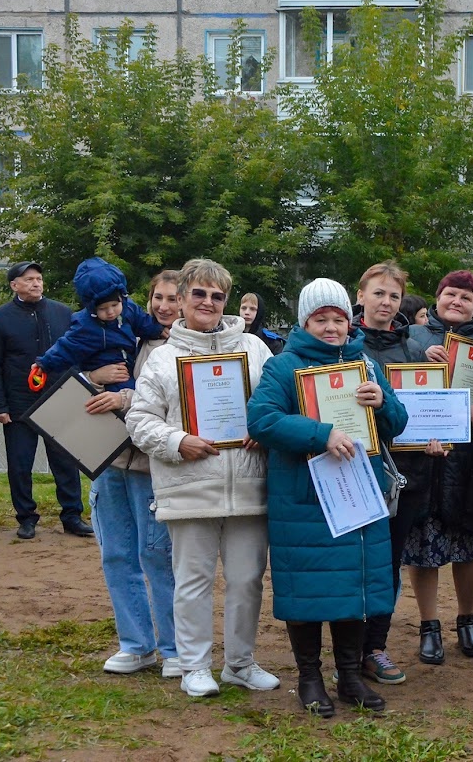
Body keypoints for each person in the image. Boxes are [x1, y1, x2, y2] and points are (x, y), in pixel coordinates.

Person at [248, 277, 408, 717]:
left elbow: (398, 424)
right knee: (308, 591)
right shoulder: (284, 365)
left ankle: (351, 677)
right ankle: (310, 678)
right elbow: (261, 421)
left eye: (339, 318)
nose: (332, 327)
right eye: (321, 319)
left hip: (358, 494)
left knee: (353, 587)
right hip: (305, 498)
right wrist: (320, 434)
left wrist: (384, 404)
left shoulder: (367, 365)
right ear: (305, 322)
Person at [126, 258, 279, 699]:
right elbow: (140, 419)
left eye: (217, 295)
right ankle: (194, 665)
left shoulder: (254, 350)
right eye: (200, 294)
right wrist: (178, 442)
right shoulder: (162, 359)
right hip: (190, 484)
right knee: (191, 579)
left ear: (226, 301)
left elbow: (279, 402)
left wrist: (262, 428)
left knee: (248, 577)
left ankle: (240, 663)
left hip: (249, 486)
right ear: (183, 298)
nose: (208, 302)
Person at [83, 270, 181, 677]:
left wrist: (122, 395)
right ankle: (136, 645)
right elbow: (70, 370)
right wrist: (92, 377)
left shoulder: (184, 347)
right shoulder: (122, 332)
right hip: (107, 461)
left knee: (157, 556)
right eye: (158, 297)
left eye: (173, 299)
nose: (163, 306)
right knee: (117, 555)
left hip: (149, 465)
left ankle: (174, 648)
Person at [402, 270, 473, 667]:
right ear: (437, 298)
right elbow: (396, 385)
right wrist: (420, 360)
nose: (457, 302)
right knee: (423, 545)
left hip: (468, 459)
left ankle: (466, 618)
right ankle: (429, 625)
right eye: (450, 295)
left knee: (467, 544)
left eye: (466, 297)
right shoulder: (413, 338)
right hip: (422, 456)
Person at [352, 261, 433, 684]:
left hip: (405, 474)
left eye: (394, 296)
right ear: (361, 294)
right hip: (352, 470)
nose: (386, 302)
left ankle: (375, 648)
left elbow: (426, 413)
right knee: (353, 564)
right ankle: (347, 650)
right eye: (378, 293)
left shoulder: (415, 351)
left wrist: (436, 439)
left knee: (388, 564)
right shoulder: (343, 344)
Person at [0, 261, 91, 539]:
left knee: (66, 462)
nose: (36, 283)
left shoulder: (62, 313)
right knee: (20, 464)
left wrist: (79, 391)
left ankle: (72, 516)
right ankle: (27, 518)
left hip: (59, 399)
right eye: (29, 279)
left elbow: (76, 355)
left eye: (38, 278)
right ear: (14, 285)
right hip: (19, 404)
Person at [35, 257, 164, 392]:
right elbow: (67, 347)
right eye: (103, 309)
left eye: (115, 305)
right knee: (135, 394)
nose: (110, 312)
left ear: (122, 297)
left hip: (129, 363)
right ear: (92, 308)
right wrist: (44, 364)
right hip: (109, 370)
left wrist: (158, 330)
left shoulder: (129, 308)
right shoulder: (86, 325)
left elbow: (143, 322)